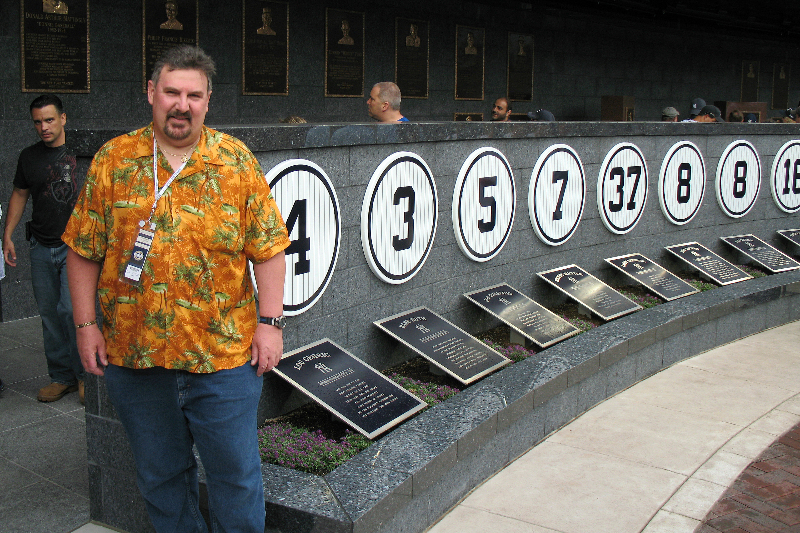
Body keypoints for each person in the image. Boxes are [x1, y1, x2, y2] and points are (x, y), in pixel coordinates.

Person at [63, 45, 290, 532]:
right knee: (161, 479)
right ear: (151, 93)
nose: (181, 105)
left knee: (236, 479)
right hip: (137, 357)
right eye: (171, 92)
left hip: (224, 359)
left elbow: (270, 249)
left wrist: (270, 324)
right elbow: (83, 250)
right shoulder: (114, 161)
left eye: (194, 95)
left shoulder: (235, 161)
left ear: (208, 101)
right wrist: (85, 326)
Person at [3, 94, 83, 403]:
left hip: (74, 246)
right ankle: (61, 377)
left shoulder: (80, 153)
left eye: (49, 120)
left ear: (63, 118)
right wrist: (7, 235)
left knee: (72, 311)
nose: (44, 127)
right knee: (49, 314)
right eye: (37, 122)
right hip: (40, 245)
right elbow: (19, 194)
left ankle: (84, 376)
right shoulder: (29, 156)